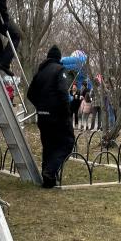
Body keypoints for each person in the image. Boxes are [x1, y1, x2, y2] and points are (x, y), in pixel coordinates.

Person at [27, 45, 75, 188]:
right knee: (67, 143)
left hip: (42, 116)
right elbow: (62, 92)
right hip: (57, 116)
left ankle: (48, 180)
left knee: (48, 146)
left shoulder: (40, 72)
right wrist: (67, 112)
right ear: (59, 58)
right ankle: (50, 171)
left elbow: (30, 94)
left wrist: (41, 106)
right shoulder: (60, 70)